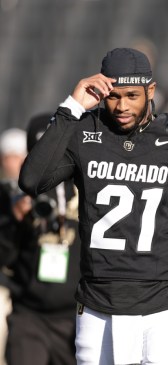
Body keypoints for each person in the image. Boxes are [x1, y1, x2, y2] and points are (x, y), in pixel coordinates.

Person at [18, 48, 168, 365]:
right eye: (113, 96)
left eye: (132, 95)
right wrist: (71, 106)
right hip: (99, 306)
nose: (122, 106)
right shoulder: (83, 130)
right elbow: (31, 181)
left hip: (164, 309)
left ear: (151, 91)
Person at [1, 114, 81, 365]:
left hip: (74, 315)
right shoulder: (13, 194)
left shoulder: (86, 189)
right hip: (29, 313)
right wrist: (14, 219)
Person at [0, 127, 28, 365]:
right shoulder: (2, 194)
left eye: (20, 156)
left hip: (27, 285)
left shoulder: (42, 190)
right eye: (10, 156)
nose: (15, 163)